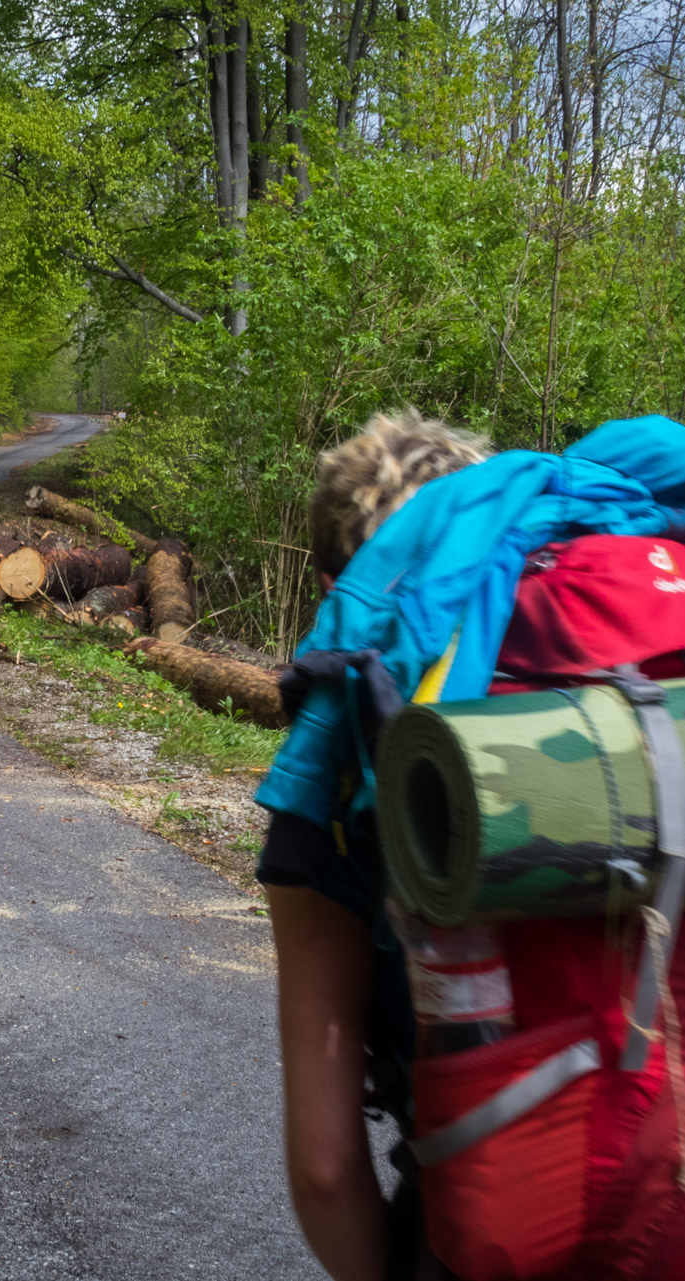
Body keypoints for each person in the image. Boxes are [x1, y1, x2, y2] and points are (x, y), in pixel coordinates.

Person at [256, 410, 490, 1281]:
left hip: (512, 1217)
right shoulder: (640, 690)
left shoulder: (332, 793)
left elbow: (325, 1166)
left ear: (331, 587)